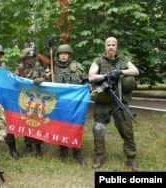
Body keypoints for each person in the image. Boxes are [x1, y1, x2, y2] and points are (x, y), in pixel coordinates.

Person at [88, 36, 141, 171]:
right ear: (105, 47)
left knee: (127, 130)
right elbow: (91, 76)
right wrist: (106, 76)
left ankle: (131, 158)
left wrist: (120, 72)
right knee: (98, 129)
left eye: (113, 45)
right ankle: (99, 157)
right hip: (102, 103)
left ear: (116, 46)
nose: (111, 47)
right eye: (108, 45)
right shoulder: (98, 60)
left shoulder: (123, 59)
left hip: (120, 101)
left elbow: (135, 71)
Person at [45, 44, 87, 165]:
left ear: (69, 55)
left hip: (74, 104)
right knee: (61, 126)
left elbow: (86, 81)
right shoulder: (53, 68)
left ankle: (77, 151)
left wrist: (88, 86)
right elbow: (48, 86)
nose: (63, 56)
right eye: (61, 54)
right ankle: (63, 149)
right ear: (58, 56)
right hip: (59, 104)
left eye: (65, 54)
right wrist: (46, 77)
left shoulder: (78, 67)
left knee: (75, 126)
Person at [15, 47, 47, 160]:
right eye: (28, 58)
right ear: (24, 58)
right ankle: (28, 145)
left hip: (37, 99)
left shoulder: (38, 66)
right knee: (26, 121)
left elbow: (45, 76)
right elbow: (16, 81)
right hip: (25, 99)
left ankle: (38, 146)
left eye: (32, 57)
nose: (31, 60)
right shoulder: (20, 68)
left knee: (37, 121)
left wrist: (41, 79)